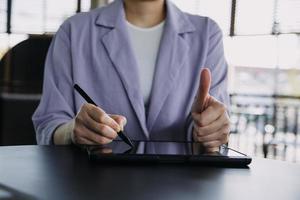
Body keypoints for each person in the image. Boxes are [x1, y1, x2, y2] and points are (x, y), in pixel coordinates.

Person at [32, 0, 230, 153]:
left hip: (181, 186)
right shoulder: (74, 31)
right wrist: (71, 131)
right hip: (93, 184)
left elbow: (216, 122)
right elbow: (49, 123)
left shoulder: (207, 34)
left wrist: (210, 128)